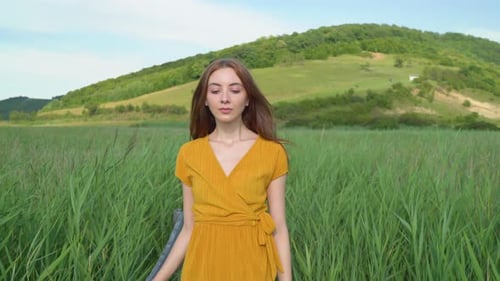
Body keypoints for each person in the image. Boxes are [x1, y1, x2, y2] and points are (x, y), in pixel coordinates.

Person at [152, 58, 292, 281]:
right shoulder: (189, 153)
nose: (225, 98)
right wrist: (159, 279)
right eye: (215, 91)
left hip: (252, 263)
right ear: (205, 100)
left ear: (247, 99)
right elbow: (189, 228)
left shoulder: (272, 152)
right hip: (202, 264)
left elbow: (279, 228)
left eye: (235, 90)